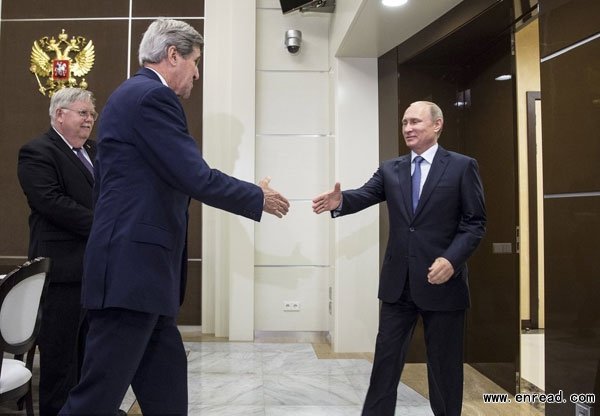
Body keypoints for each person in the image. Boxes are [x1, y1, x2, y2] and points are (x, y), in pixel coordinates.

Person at [58, 18, 290, 416]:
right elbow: (194, 175)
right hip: (132, 275)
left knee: (166, 393)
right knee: (94, 401)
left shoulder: (135, 96)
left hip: (143, 279)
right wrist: (257, 197)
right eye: (195, 61)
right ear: (172, 55)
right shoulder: (151, 97)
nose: (197, 72)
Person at [313, 101, 486, 416]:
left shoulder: (462, 166)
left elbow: (475, 223)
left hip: (443, 283)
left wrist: (452, 260)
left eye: (416, 122)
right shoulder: (390, 169)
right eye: (405, 122)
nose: (408, 128)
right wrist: (342, 201)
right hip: (398, 285)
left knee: (444, 368)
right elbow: (365, 194)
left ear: (437, 125)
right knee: (385, 364)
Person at [17, 87, 97, 416]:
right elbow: (52, 203)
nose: (90, 119)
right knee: (61, 357)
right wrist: (105, 226)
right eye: (83, 113)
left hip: (95, 269)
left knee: (89, 353)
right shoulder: (37, 151)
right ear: (60, 115)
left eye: (92, 114)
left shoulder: (95, 150)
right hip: (62, 273)